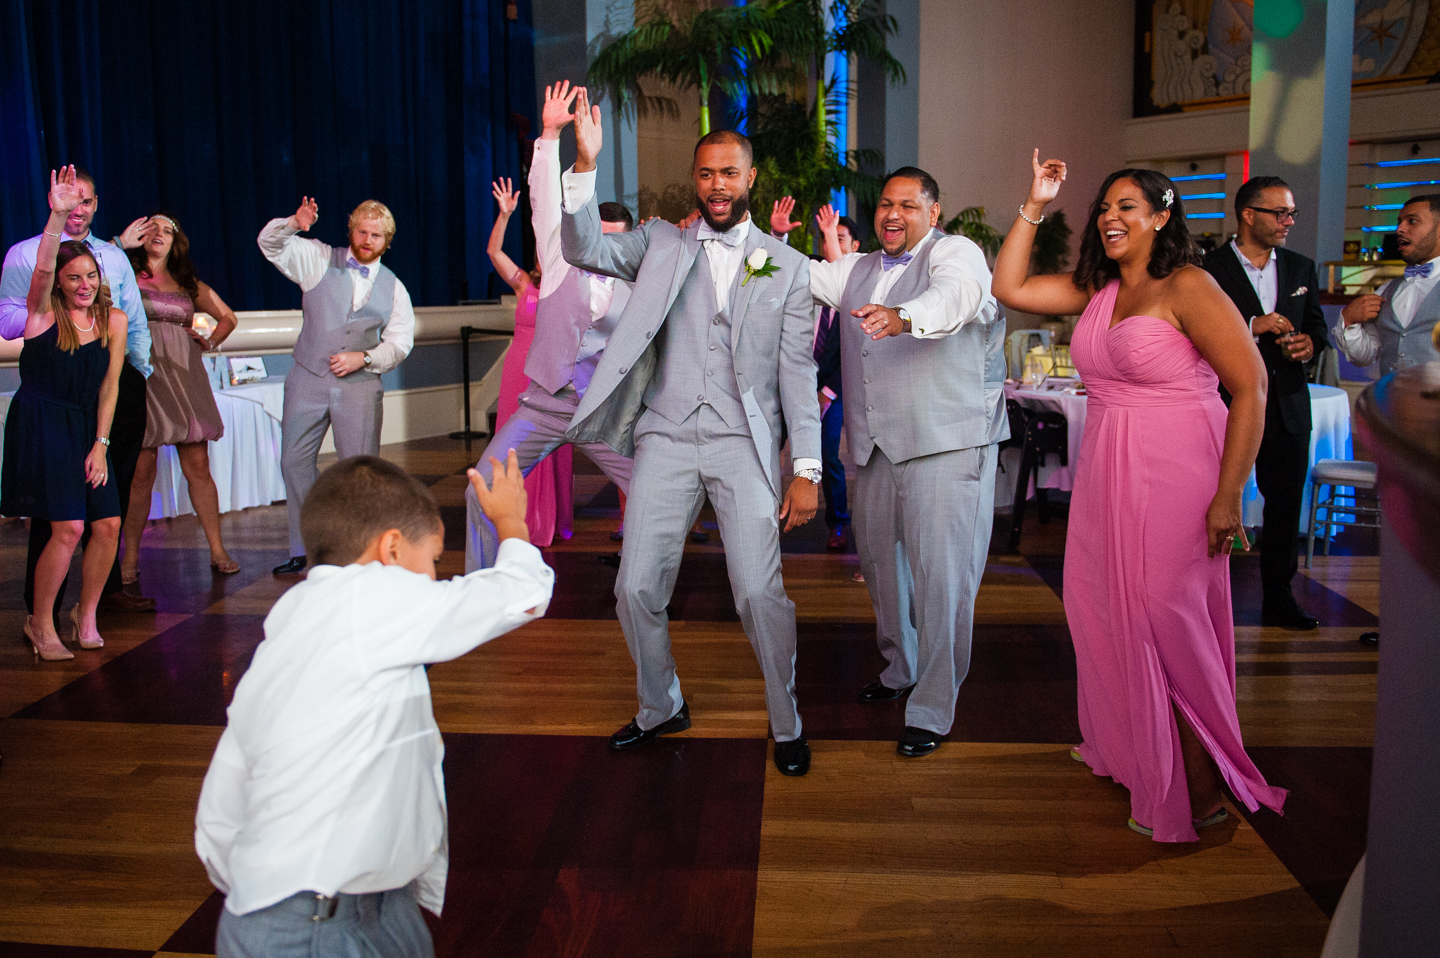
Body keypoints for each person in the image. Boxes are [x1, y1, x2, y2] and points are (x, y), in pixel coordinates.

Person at [992, 151, 1287, 841]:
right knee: (1102, 607)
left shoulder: (1189, 285)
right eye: (1105, 208)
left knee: (1165, 616)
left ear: (1162, 215)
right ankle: (1134, 751)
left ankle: (1202, 786)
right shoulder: (1098, 289)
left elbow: (1252, 388)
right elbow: (1009, 286)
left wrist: (1229, 496)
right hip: (1108, 468)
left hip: (1179, 466)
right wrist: (1036, 201)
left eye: (1129, 206)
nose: (1111, 218)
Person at [195, 451, 553, 958]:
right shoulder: (366, 599)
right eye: (432, 561)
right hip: (317, 928)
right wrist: (512, 523)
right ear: (390, 549)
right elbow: (520, 593)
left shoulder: (295, 621)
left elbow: (226, 791)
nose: (433, 579)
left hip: (306, 911)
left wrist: (257, 891)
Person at [559, 88, 822, 776]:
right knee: (635, 587)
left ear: (751, 179)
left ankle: (786, 718)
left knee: (758, 593)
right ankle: (660, 704)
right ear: (695, 180)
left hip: (744, 447)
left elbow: (797, 376)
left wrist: (809, 469)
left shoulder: (786, 266)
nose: (716, 185)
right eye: (706, 173)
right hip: (667, 437)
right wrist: (583, 163)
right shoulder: (659, 243)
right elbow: (583, 244)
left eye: (729, 173)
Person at [806, 169, 1007, 758]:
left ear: (933, 211)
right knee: (882, 568)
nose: (894, 214)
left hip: (947, 443)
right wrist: (736, 240)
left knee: (944, 579)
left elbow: (956, 299)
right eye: (886, 204)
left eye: (908, 205)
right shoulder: (859, 267)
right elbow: (800, 274)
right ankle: (899, 668)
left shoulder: (957, 254)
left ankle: (934, 706)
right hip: (872, 446)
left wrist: (903, 317)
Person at [464, 81, 635, 572]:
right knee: (483, 485)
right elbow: (543, 204)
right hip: (545, 404)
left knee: (653, 491)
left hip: (603, 411)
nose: (603, 249)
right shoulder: (562, 262)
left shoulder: (637, 282)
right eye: (597, 238)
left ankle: (645, 584)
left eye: (613, 242)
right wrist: (548, 136)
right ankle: (484, 586)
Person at [1, 166, 156, 614]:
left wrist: (139, 371)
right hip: (55, 381)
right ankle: (42, 609)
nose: (84, 284)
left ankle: (99, 599)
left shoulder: (111, 255)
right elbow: (19, 311)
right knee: (59, 515)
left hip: (109, 379)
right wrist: (48, 329)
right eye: (72, 201)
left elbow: (132, 316)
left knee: (108, 504)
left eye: (85, 201)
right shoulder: (31, 260)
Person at [258, 198, 415, 575]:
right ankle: (306, 547)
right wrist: (294, 222)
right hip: (307, 378)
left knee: (359, 471)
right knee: (293, 461)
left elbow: (399, 343)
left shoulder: (395, 288)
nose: (367, 239)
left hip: (359, 385)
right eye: (361, 231)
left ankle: (360, 552)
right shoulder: (317, 259)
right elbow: (270, 244)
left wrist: (365, 358)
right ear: (351, 230)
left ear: (386, 240)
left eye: (375, 235)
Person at [1202, 176, 1328, 631]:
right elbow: (1191, 334)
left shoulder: (1300, 267)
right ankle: (1203, 598)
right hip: (1225, 403)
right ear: (1248, 214)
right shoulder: (1206, 269)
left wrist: (1309, 345)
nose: (1288, 221)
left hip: (1288, 405)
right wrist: (1253, 326)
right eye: (1280, 213)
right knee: (1209, 499)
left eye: (1291, 213)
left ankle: (1279, 597)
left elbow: (1316, 326)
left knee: (1284, 506)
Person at [113, 213, 241, 580]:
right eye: (151, 227)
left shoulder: (187, 282)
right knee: (141, 471)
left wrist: (211, 340)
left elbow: (227, 317)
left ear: (176, 241)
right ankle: (130, 558)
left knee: (198, 467)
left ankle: (217, 549)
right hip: (143, 374)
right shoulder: (124, 273)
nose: (158, 234)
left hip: (185, 375)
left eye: (166, 230)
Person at [484, 176, 575, 548]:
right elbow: (493, 252)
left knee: (546, 442)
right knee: (511, 440)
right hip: (516, 370)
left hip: (550, 372)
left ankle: (543, 518)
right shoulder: (525, 284)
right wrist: (505, 215)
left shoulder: (571, 288)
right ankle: (510, 514)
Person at [768, 198, 860, 551]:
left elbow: (851, 352)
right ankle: (767, 519)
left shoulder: (858, 284)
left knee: (829, 458)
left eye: (838, 237)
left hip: (832, 389)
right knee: (770, 450)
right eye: (825, 237)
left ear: (854, 247)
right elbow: (773, 271)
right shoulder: (808, 274)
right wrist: (778, 234)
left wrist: (827, 393)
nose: (829, 243)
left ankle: (837, 524)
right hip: (785, 384)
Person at [1334, 194, 1440, 373]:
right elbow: (1364, 356)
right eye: (1400, 222)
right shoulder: (1386, 291)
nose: (1400, 229)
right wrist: (1349, 320)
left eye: (1412, 221)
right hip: (1392, 398)